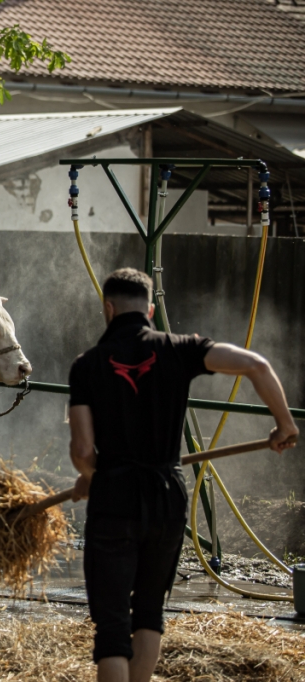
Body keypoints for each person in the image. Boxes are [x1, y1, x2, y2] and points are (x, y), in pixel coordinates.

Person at [67, 267, 298, 682]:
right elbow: (256, 365)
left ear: (108, 308)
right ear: (150, 310)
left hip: (115, 499)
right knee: (149, 614)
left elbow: (83, 451)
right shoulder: (178, 348)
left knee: (113, 628)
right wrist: (284, 424)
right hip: (166, 497)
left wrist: (91, 474)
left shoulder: (87, 366)